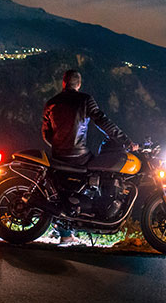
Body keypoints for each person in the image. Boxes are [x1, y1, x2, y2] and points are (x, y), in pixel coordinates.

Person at [41, 69, 137, 244]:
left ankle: (65, 232)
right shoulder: (85, 100)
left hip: (57, 156)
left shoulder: (51, 102)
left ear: (64, 83)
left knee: (64, 188)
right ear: (78, 84)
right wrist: (126, 141)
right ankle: (89, 218)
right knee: (101, 173)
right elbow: (103, 121)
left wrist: (58, 147)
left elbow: (45, 134)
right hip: (79, 155)